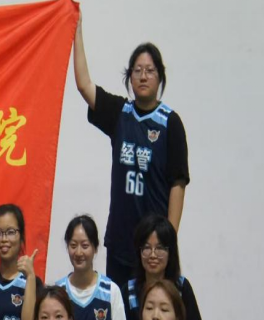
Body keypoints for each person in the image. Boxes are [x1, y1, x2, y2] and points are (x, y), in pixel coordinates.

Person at [73, 12, 190, 288]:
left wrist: (168, 241)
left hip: (153, 246)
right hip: (120, 240)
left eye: (150, 70)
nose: (143, 76)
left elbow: (178, 184)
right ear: (129, 77)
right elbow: (84, 85)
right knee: (120, 311)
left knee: (154, 308)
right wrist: (76, 28)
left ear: (160, 77)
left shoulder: (170, 123)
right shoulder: (120, 113)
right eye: (137, 70)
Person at [55, 215, 129, 320]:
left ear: (95, 248)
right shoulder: (59, 292)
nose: (78, 252)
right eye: (73, 245)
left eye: (85, 245)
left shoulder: (110, 290)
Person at [123, 215, 205, 320]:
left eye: (160, 248)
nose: (153, 255)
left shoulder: (182, 287)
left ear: (170, 252)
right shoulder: (128, 291)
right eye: (146, 248)